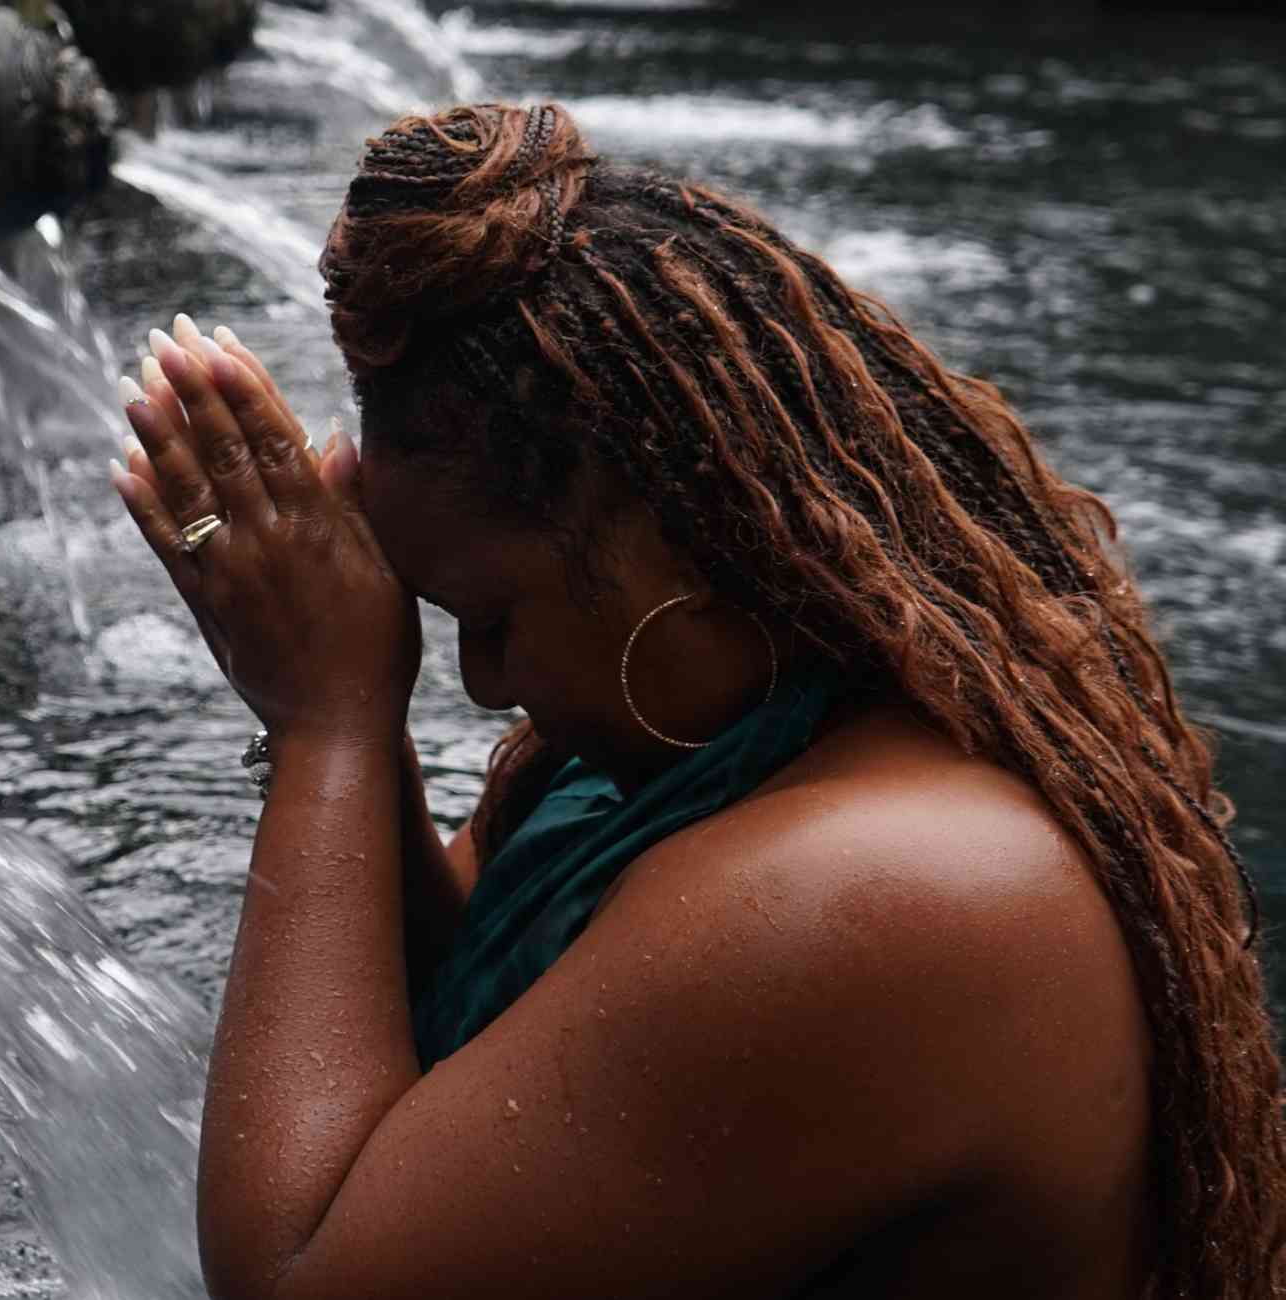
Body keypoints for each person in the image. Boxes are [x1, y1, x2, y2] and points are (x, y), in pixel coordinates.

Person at [108, 102, 1286, 1299]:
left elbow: (299, 1276)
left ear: (661, 537)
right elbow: (492, 1005)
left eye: (488, 619)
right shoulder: (740, 744)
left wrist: (330, 727)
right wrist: (338, 714)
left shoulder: (874, 894)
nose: (474, 682)